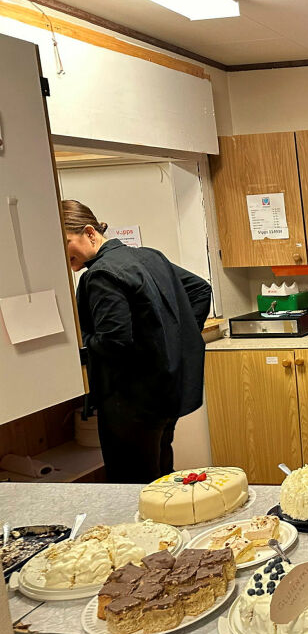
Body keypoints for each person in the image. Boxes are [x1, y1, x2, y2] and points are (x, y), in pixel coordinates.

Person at [61, 200, 212, 483]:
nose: (61, 252)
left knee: (132, 486)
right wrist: (176, 339)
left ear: (90, 233)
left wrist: (80, 342)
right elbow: (200, 290)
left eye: (66, 242)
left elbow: (113, 341)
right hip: (166, 392)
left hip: (130, 403)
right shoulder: (149, 256)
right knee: (161, 477)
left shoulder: (100, 275)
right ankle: (167, 527)